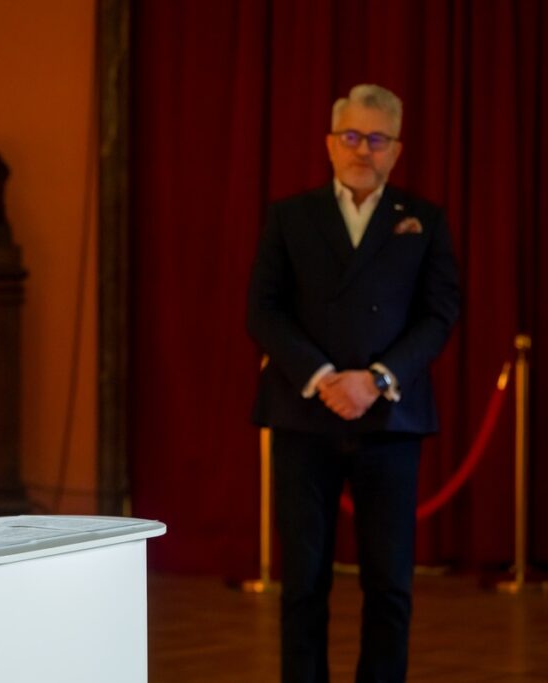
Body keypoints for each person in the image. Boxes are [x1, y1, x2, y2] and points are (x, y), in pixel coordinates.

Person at [247, 84, 460, 682]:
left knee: (390, 584)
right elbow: (263, 311)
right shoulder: (290, 216)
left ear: (395, 149)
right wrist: (322, 377)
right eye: (352, 136)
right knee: (304, 583)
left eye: (377, 138)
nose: (362, 149)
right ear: (329, 144)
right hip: (302, 414)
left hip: (389, 419)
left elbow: (439, 312)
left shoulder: (424, 220)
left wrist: (376, 378)